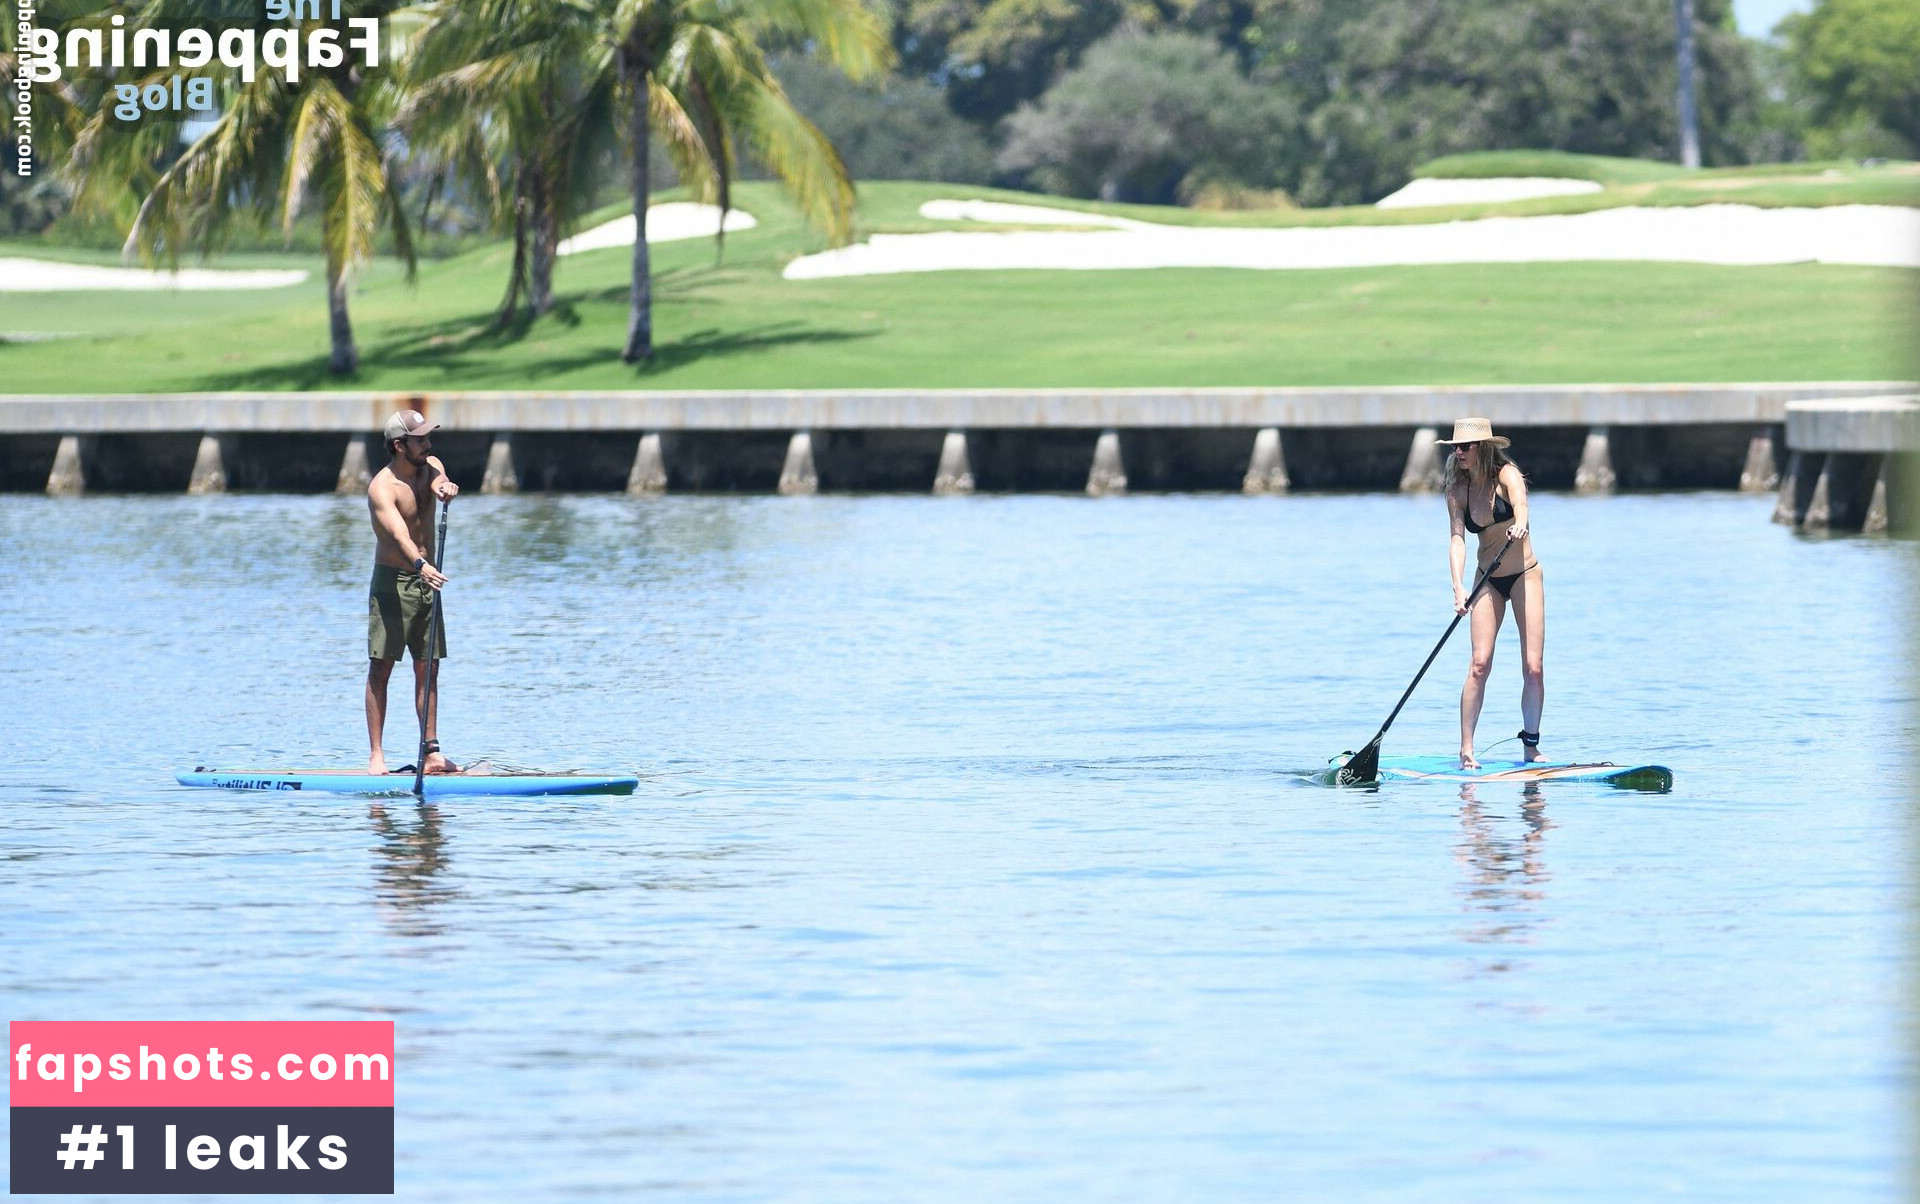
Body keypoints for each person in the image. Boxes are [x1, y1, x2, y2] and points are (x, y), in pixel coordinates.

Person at [1439, 417, 1544, 769]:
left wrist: (1520, 523)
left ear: (1482, 448)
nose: (1458, 453)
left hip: (1525, 575)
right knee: (1479, 663)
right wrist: (1458, 587)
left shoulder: (1507, 475)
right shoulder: (1458, 489)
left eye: (1464, 447)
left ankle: (1530, 747)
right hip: (1488, 579)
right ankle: (1466, 749)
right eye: (1454, 447)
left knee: (1533, 666)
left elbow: (1523, 506)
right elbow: (1457, 539)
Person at [366, 409, 461, 775]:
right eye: (420, 440)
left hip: (428, 584)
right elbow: (398, 536)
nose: (428, 445)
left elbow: (441, 482)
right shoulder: (382, 488)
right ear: (399, 446)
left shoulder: (430, 464)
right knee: (382, 669)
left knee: (429, 668)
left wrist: (446, 489)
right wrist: (421, 566)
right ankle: (377, 756)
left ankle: (431, 752)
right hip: (393, 584)